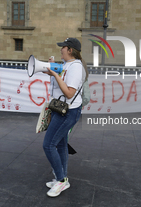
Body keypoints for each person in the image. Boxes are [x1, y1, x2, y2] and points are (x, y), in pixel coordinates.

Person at [43, 37, 88, 197]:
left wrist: (56, 75)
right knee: (61, 146)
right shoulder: (67, 65)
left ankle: (61, 180)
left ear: (70, 50)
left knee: (48, 145)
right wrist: (52, 72)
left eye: (63, 47)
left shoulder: (76, 67)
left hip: (68, 112)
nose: (60, 49)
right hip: (60, 109)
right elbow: (58, 86)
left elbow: (69, 92)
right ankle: (62, 179)